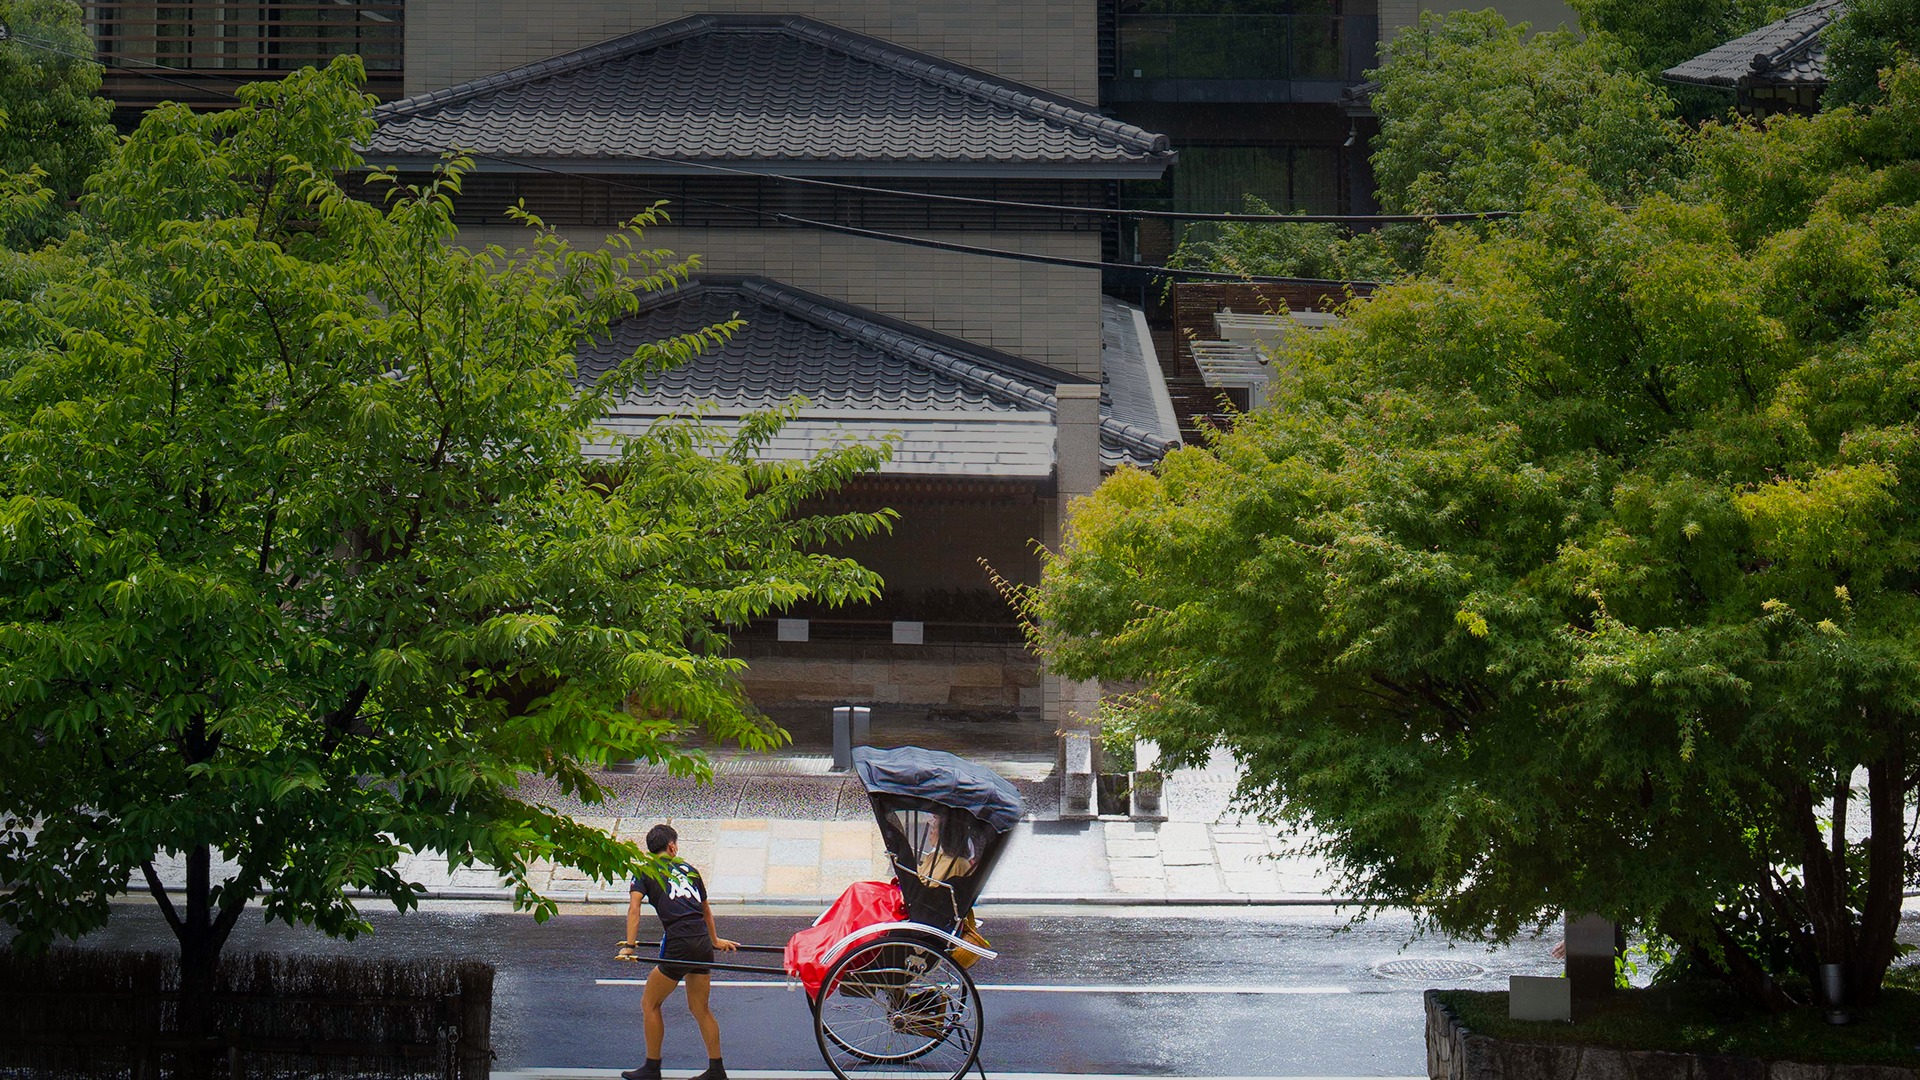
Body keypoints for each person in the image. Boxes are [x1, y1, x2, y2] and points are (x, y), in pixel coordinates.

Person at [618, 824, 738, 1080]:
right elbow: (705, 910)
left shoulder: (644, 870)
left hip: (679, 942)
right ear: (671, 846)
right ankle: (716, 1069)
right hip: (701, 941)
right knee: (700, 1008)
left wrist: (630, 944)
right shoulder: (691, 870)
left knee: (650, 1003)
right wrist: (714, 940)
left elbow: (634, 908)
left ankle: (652, 1067)